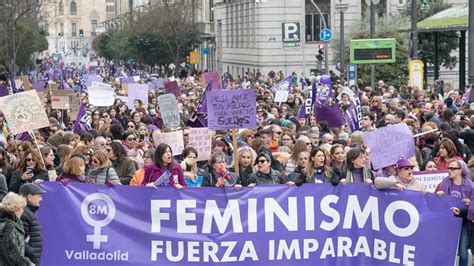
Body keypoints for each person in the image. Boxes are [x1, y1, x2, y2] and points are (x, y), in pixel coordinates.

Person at [436, 160, 473, 266]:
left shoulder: (470, 185)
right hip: (448, 221)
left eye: (452, 168)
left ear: (460, 170)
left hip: (464, 222)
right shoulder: (444, 182)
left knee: (463, 251)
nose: (449, 170)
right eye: (448, 168)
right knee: (444, 250)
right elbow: (437, 203)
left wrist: (470, 203)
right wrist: (439, 195)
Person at [0, 192, 33, 265]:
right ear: (15, 208)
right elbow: (12, 255)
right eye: (21, 208)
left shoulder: (15, 223)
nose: (22, 211)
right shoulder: (8, 226)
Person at [19, 183, 45, 265]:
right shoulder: (24, 213)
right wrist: (32, 252)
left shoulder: (29, 212)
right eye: (39, 196)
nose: (41, 199)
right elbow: (19, 240)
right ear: (29, 197)